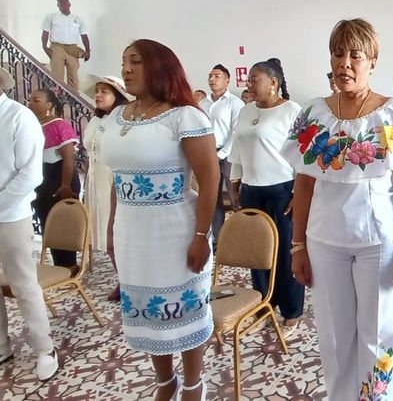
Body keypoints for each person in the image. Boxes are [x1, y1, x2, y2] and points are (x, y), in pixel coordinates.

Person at [282, 19, 393, 400]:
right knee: (334, 338)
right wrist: (297, 246)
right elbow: (304, 183)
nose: (345, 63)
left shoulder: (390, 114)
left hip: (379, 243)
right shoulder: (314, 114)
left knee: (379, 339)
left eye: (355, 55)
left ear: (372, 62)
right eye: (338, 54)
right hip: (325, 243)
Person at [101, 39, 218, 401]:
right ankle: (165, 382)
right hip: (132, 234)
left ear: (160, 67)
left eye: (136, 61)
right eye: (124, 62)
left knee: (185, 311)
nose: (127, 69)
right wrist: (111, 227)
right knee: (150, 315)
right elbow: (117, 177)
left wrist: (201, 235)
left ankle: (194, 383)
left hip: (175, 231)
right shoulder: (118, 117)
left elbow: (210, 177)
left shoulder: (185, 116)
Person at [0, 51, 59, 381]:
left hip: (9, 217)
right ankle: (0, 346)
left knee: (23, 285)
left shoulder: (18, 117)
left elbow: (30, 175)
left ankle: (45, 349)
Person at [229, 59, 303, 338]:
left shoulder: (292, 111)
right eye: (248, 79)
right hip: (251, 189)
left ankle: (291, 312)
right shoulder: (246, 111)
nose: (248, 84)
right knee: (257, 252)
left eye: (254, 79)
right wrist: (235, 184)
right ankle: (262, 305)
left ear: (273, 83)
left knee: (285, 252)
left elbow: (302, 156)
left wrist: (298, 193)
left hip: (282, 190)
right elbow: (237, 150)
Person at [82, 75, 131, 301]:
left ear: (117, 97)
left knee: (117, 232)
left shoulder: (122, 121)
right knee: (103, 232)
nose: (99, 95)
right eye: (97, 91)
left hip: (112, 180)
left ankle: (127, 280)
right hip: (95, 179)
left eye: (105, 91)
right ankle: (121, 278)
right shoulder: (95, 121)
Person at [27, 88, 81, 268]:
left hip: (59, 179)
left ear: (49, 105)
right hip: (42, 181)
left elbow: (68, 157)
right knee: (47, 223)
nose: (30, 103)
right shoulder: (32, 126)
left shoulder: (59, 125)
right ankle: (59, 265)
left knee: (62, 222)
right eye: (30, 100)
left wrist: (65, 185)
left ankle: (69, 265)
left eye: (36, 100)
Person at [198, 64, 245, 248]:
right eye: (210, 75)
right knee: (212, 197)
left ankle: (242, 238)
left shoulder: (234, 103)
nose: (212, 79)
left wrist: (221, 153)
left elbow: (236, 131)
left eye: (217, 76)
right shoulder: (203, 104)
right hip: (208, 154)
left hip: (229, 154)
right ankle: (218, 240)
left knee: (235, 196)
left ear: (227, 80)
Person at [41, 0, 90, 91]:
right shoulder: (51, 17)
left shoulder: (78, 19)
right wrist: (44, 47)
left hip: (72, 49)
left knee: (73, 75)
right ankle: (58, 98)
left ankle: (74, 99)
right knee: (57, 75)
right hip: (57, 47)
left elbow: (84, 35)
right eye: (60, 4)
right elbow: (45, 33)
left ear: (69, 4)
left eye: (64, 3)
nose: (62, 6)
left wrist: (88, 50)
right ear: (57, 5)